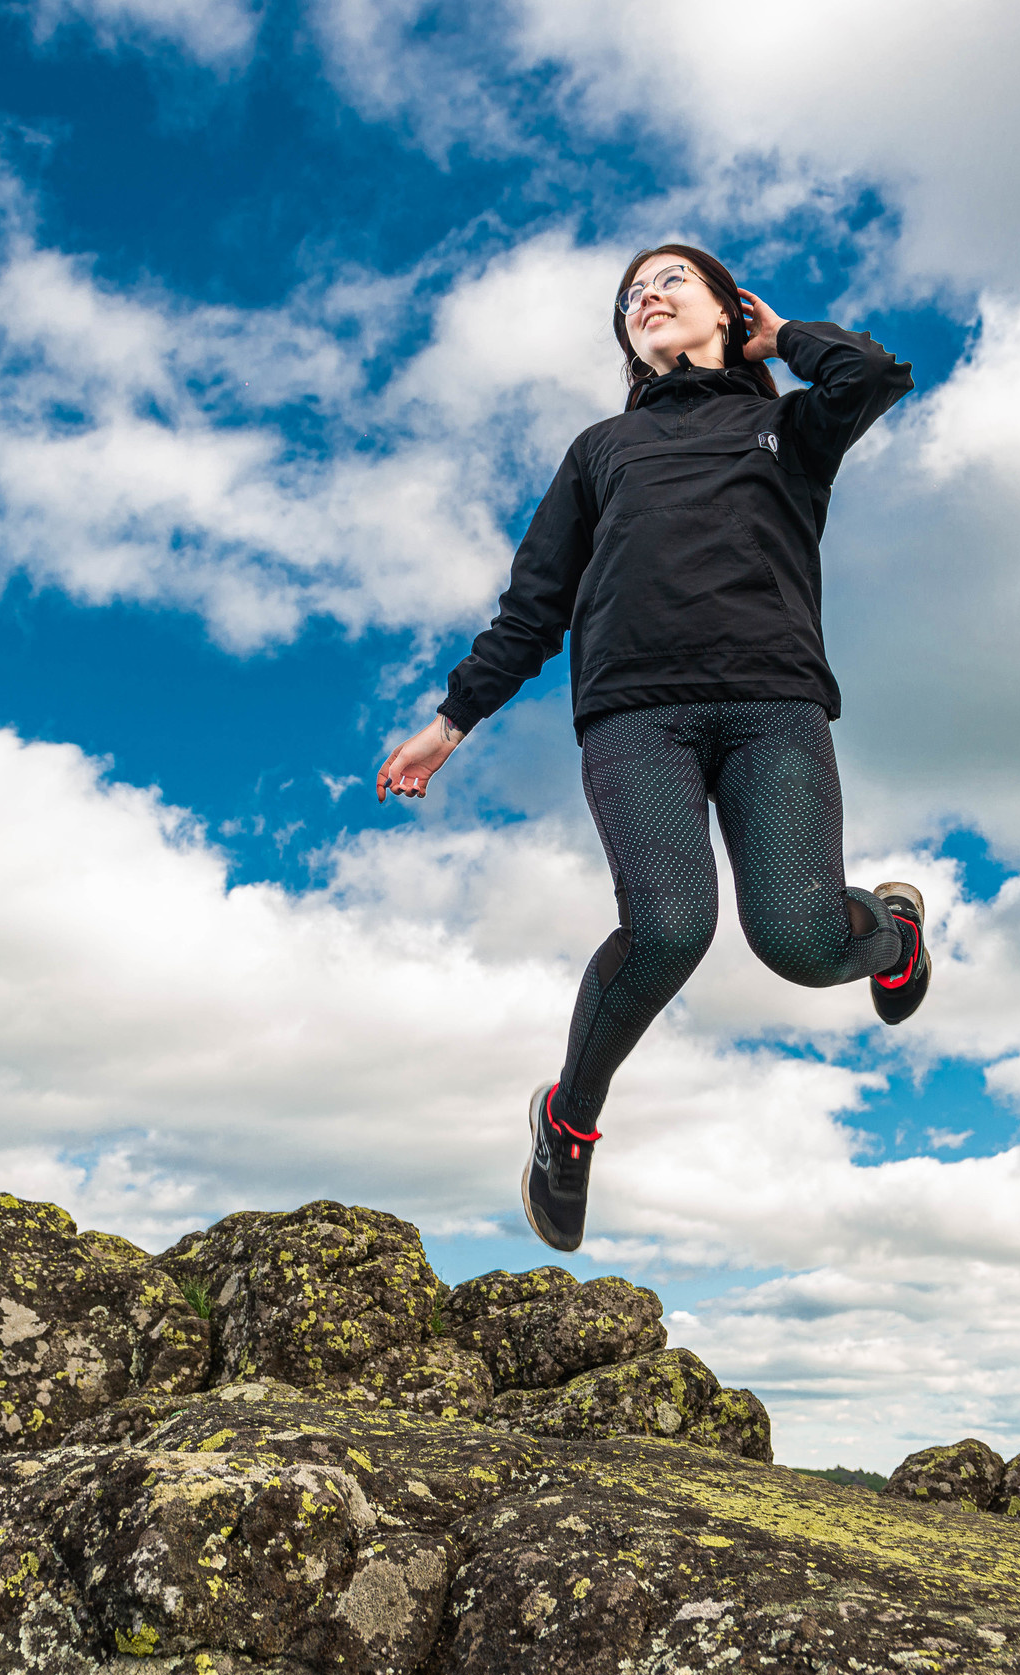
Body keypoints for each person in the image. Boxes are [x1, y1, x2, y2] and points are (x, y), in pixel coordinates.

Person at [374, 244, 928, 1252]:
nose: (648, 297)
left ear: (726, 307)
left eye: (671, 281)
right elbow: (534, 606)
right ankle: (568, 1121)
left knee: (801, 944)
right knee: (669, 926)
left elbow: (874, 374)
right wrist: (453, 721)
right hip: (635, 714)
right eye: (632, 295)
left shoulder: (787, 425)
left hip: (773, 706)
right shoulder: (600, 451)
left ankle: (892, 933)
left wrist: (782, 341)